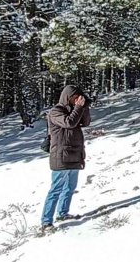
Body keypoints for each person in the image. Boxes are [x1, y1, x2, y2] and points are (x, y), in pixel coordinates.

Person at [40, 85, 91, 230]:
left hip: (74, 154)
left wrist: (84, 107)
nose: (77, 101)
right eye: (75, 98)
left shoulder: (75, 110)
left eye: (79, 98)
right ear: (67, 97)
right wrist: (78, 108)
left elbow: (85, 122)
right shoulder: (55, 112)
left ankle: (62, 213)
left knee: (70, 187)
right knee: (56, 189)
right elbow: (69, 123)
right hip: (60, 156)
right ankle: (46, 221)